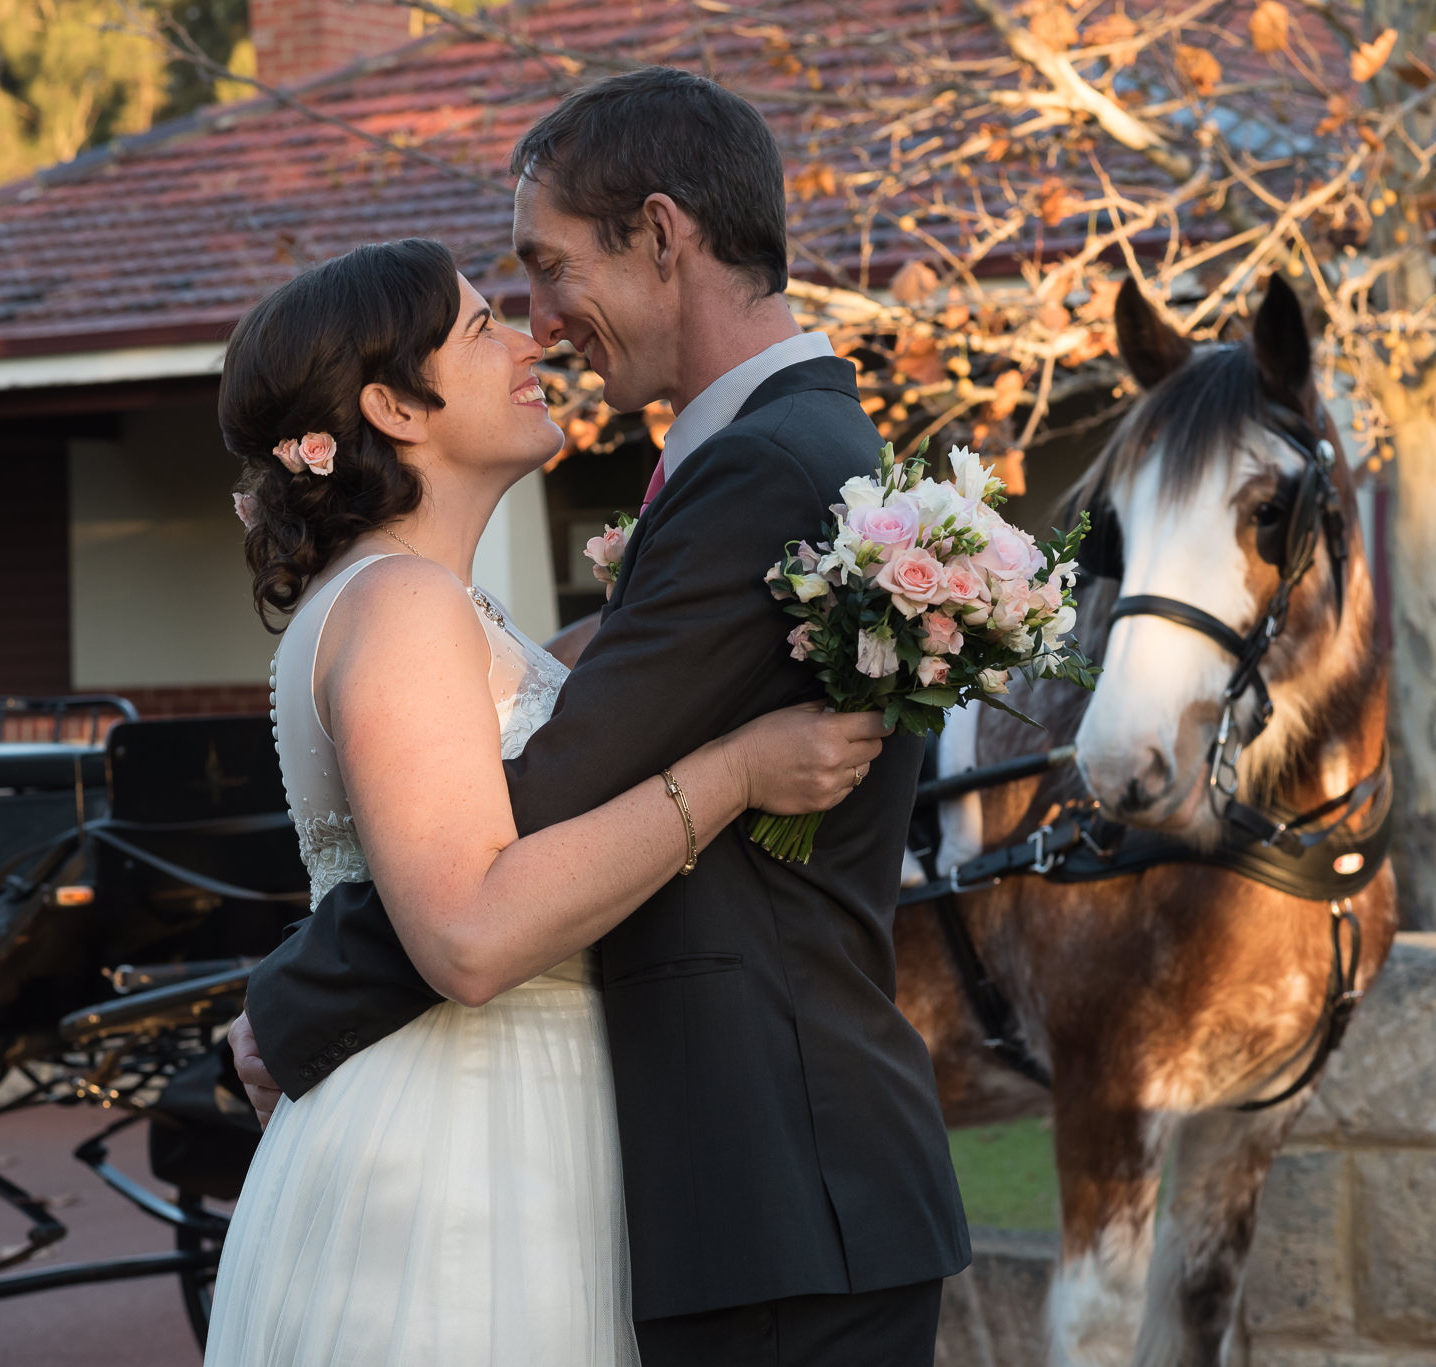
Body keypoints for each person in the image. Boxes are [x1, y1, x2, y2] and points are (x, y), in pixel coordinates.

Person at [229, 68, 970, 1367]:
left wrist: (295, 998)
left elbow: (547, 790)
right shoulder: (415, 602)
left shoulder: (759, 470)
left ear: (664, 238)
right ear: (394, 411)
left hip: (750, 1162)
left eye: (545, 271)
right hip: (508, 1150)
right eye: (487, 321)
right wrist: (738, 768)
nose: (538, 326)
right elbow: (488, 877)